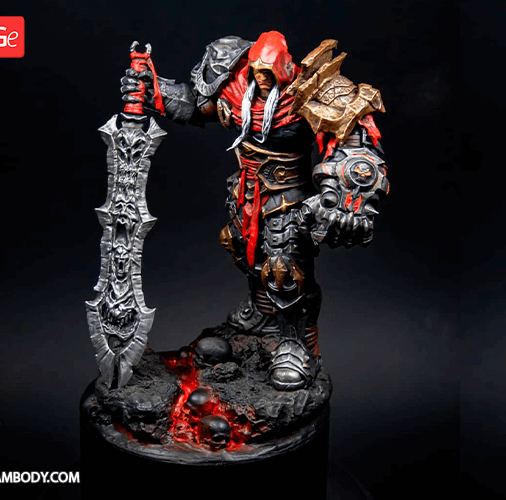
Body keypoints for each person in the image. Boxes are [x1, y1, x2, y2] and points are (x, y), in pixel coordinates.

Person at [121, 31, 388, 390]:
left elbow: (355, 138)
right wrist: (152, 88)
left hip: (288, 195)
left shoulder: (314, 90)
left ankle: (295, 344)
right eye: (257, 71)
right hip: (246, 190)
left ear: (285, 67)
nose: (262, 78)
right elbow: (196, 105)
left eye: (269, 72)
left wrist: (344, 193)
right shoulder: (234, 86)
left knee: (284, 268)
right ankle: (262, 313)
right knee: (242, 249)